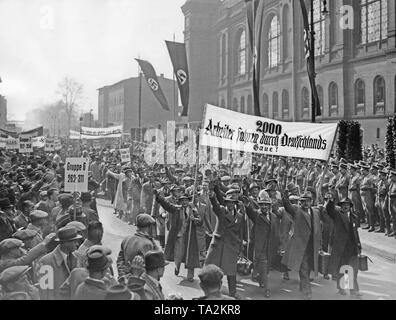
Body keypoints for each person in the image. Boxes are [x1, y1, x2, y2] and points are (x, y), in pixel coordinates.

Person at [281, 190, 322, 300]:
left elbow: (318, 229)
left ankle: (302, 286)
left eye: (308, 201)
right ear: (300, 202)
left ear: (311, 201)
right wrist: (285, 198)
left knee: (308, 268)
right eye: (303, 201)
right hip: (300, 246)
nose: (305, 203)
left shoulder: (315, 212)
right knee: (303, 269)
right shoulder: (296, 210)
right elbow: (288, 206)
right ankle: (307, 292)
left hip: (311, 246)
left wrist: (320, 245)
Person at [154, 190, 201, 282]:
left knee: (190, 255)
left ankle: (190, 275)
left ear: (188, 201)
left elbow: (200, 221)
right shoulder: (176, 209)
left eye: (186, 200)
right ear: (180, 202)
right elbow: (167, 205)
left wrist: (194, 219)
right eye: (182, 200)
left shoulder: (193, 210)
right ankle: (177, 266)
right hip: (179, 236)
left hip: (190, 237)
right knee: (178, 254)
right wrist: (159, 198)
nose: (184, 202)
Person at [205, 191, 244, 299]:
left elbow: (240, 233)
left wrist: (240, 248)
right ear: (225, 203)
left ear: (235, 203)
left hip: (231, 246)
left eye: (232, 202)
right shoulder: (221, 211)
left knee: (232, 271)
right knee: (215, 271)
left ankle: (233, 292)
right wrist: (212, 196)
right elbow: (215, 206)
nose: (230, 205)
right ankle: (213, 291)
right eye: (228, 202)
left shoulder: (239, 216)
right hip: (219, 245)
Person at [325, 198, 362, 298]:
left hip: (353, 248)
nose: (346, 206)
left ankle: (354, 291)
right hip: (342, 248)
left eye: (348, 205)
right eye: (343, 205)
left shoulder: (354, 217)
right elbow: (329, 210)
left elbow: (356, 232)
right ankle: (342, 288)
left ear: (350, 206)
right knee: (343, 269)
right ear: (340, 206)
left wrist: (359, 245)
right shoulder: (337, 215)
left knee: (353, 270)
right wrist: (331, 200)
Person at [243, 194, 278, 298]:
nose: (264, 207)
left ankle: (260, 278)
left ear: (269, 206)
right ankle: (267, 289)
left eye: (266, 205)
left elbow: (276, 232)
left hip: (270, 247)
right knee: (264, 266)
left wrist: (279, 245)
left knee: (266, 268)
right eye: (262, 205)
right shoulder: (257, 216)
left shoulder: (274, 217)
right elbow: (250, 213)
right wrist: (247, 205)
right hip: (260, 247)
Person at [38, 226, 82, 300]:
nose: (77, 244)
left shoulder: (78, 257)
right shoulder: (46, 261)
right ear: (65, 243)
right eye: (74, 241)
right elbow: (45, 293)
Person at [117, 214, 158, 280]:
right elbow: (152, 266)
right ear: (148, 227)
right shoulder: (148, 244)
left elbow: (120, 260)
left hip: (125, 278)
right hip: (138, 281)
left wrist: (122, 276)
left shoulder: (127, 239)